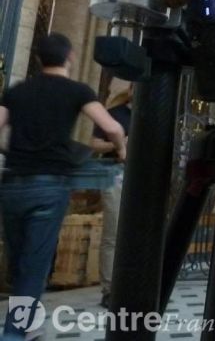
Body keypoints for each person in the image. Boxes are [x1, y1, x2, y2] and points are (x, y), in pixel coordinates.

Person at [0, 33, 126, 340]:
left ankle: (28, 325)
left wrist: (11, 151)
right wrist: (121, 149)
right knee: (35, 262)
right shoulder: (77, 91)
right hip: (49, 186)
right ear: (70, 56)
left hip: (13, 183)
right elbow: (112, 127)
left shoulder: (18, 91)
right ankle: (14, 333)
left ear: (40, 58)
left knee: (18, 261)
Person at [90, 83, 132, 309]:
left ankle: (132, 283)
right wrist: (117, 144)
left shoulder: (153, 114)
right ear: (133, 90)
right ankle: (109, 289)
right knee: (113, 231)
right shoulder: (114, 114)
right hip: (115, 174)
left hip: (144, 176)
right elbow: (94, 143)